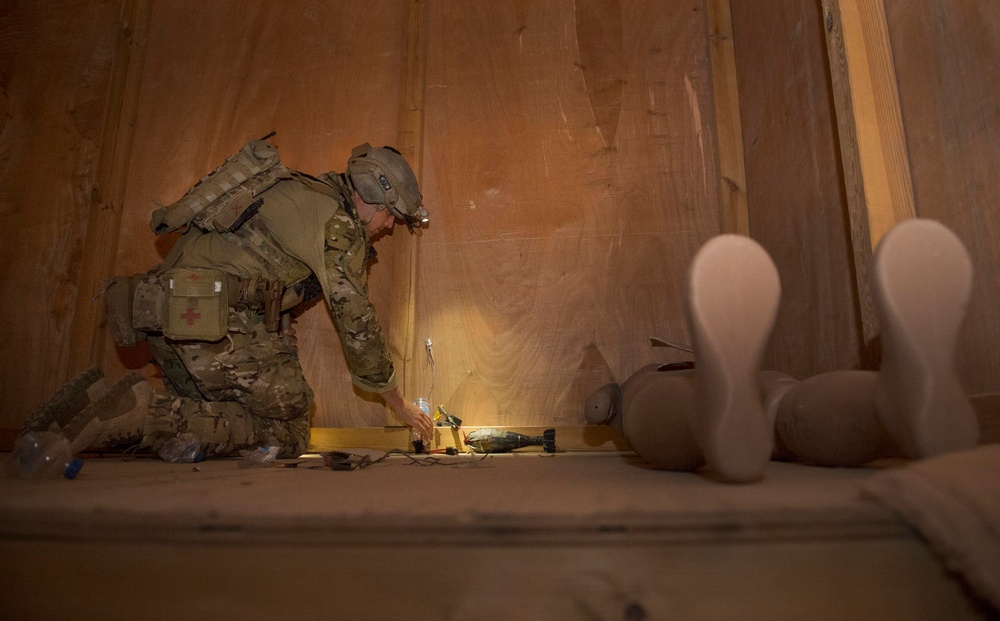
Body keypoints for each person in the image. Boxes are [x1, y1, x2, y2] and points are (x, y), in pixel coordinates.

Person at [22, 142, 435, 458]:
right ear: (371, 195)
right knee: (291, 429)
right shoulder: (338, 223)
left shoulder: (295, 190)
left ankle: (91, 403)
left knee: (210, 413)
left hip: (161, 313)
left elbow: (261, 268)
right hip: (206, 320)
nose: (388, 227)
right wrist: (397, 403)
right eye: (391, 216)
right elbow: (356, 320)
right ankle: (143, 413)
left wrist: (276, 334)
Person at [585, 218, 980, 482]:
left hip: (669, 390)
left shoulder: (640, 382)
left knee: (656, 407)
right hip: (761, 380)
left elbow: (599, 407)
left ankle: (705, 420)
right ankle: (885, 407)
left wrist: (612, 401)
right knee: (786, 408)